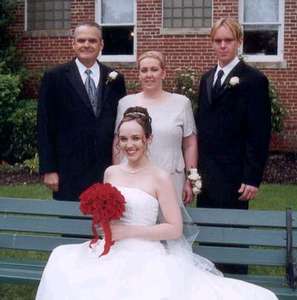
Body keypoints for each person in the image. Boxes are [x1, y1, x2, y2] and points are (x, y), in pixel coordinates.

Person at [35, 107, 277, 300]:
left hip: (144, 251)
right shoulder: (111, 173)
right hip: (111, 246)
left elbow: (174, 228)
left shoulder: (159, 177)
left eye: (136, 138)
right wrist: (102, 225)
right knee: (62, 259)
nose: (130, 145)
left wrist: (128, 231)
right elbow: (108, 213)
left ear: (148, 139)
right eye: (124, 139)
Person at [195, 18, 271, 273]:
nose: (223, 45)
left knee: (233, 239)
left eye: (228, 40)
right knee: (208, 240)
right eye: (218, 41)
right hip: (207, 176)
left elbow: (259, 133)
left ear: (239, 42)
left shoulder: (254, 80)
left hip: (237, 176)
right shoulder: (206, 79)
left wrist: (252, 177)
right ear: (212, 43)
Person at [37, 22, 126, 201]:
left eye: (92, 40)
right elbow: (44, 125)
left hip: (106, 168)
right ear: (73, 44)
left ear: (101, 45)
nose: (86, 45)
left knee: (107, 225)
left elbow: (122, 125)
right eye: (81, 40)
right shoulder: (55, 77)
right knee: (70, 225)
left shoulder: (116, 78)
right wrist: (49, 169)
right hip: (68, 169)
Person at [114, 50, 197, 206]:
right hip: (135, 178)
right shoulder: (125, 103)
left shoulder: (181, 103)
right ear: (138, 74)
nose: (149, 74)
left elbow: (190, 144)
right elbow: (118, 142)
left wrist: (190, 179)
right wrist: (117, 177)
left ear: (163, 73)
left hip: (172, 176)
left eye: (154, 69)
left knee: (170, 224)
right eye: (144, 70)